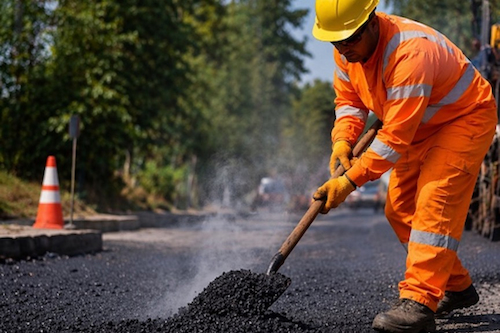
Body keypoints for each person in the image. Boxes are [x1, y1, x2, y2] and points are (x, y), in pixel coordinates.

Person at [311, 0, 498, 332]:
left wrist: (348, 182)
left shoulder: (410, 52)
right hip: (419, 125)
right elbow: (350, 103)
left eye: (350, 39)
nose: (343, 49)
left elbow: (393, 140)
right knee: (399, 210)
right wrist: (343, 140)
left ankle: (420, 302)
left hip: (462, 119)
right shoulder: (346, 53)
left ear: (371, 23)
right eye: (335, 42)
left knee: (433, 203)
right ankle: (455, 286)